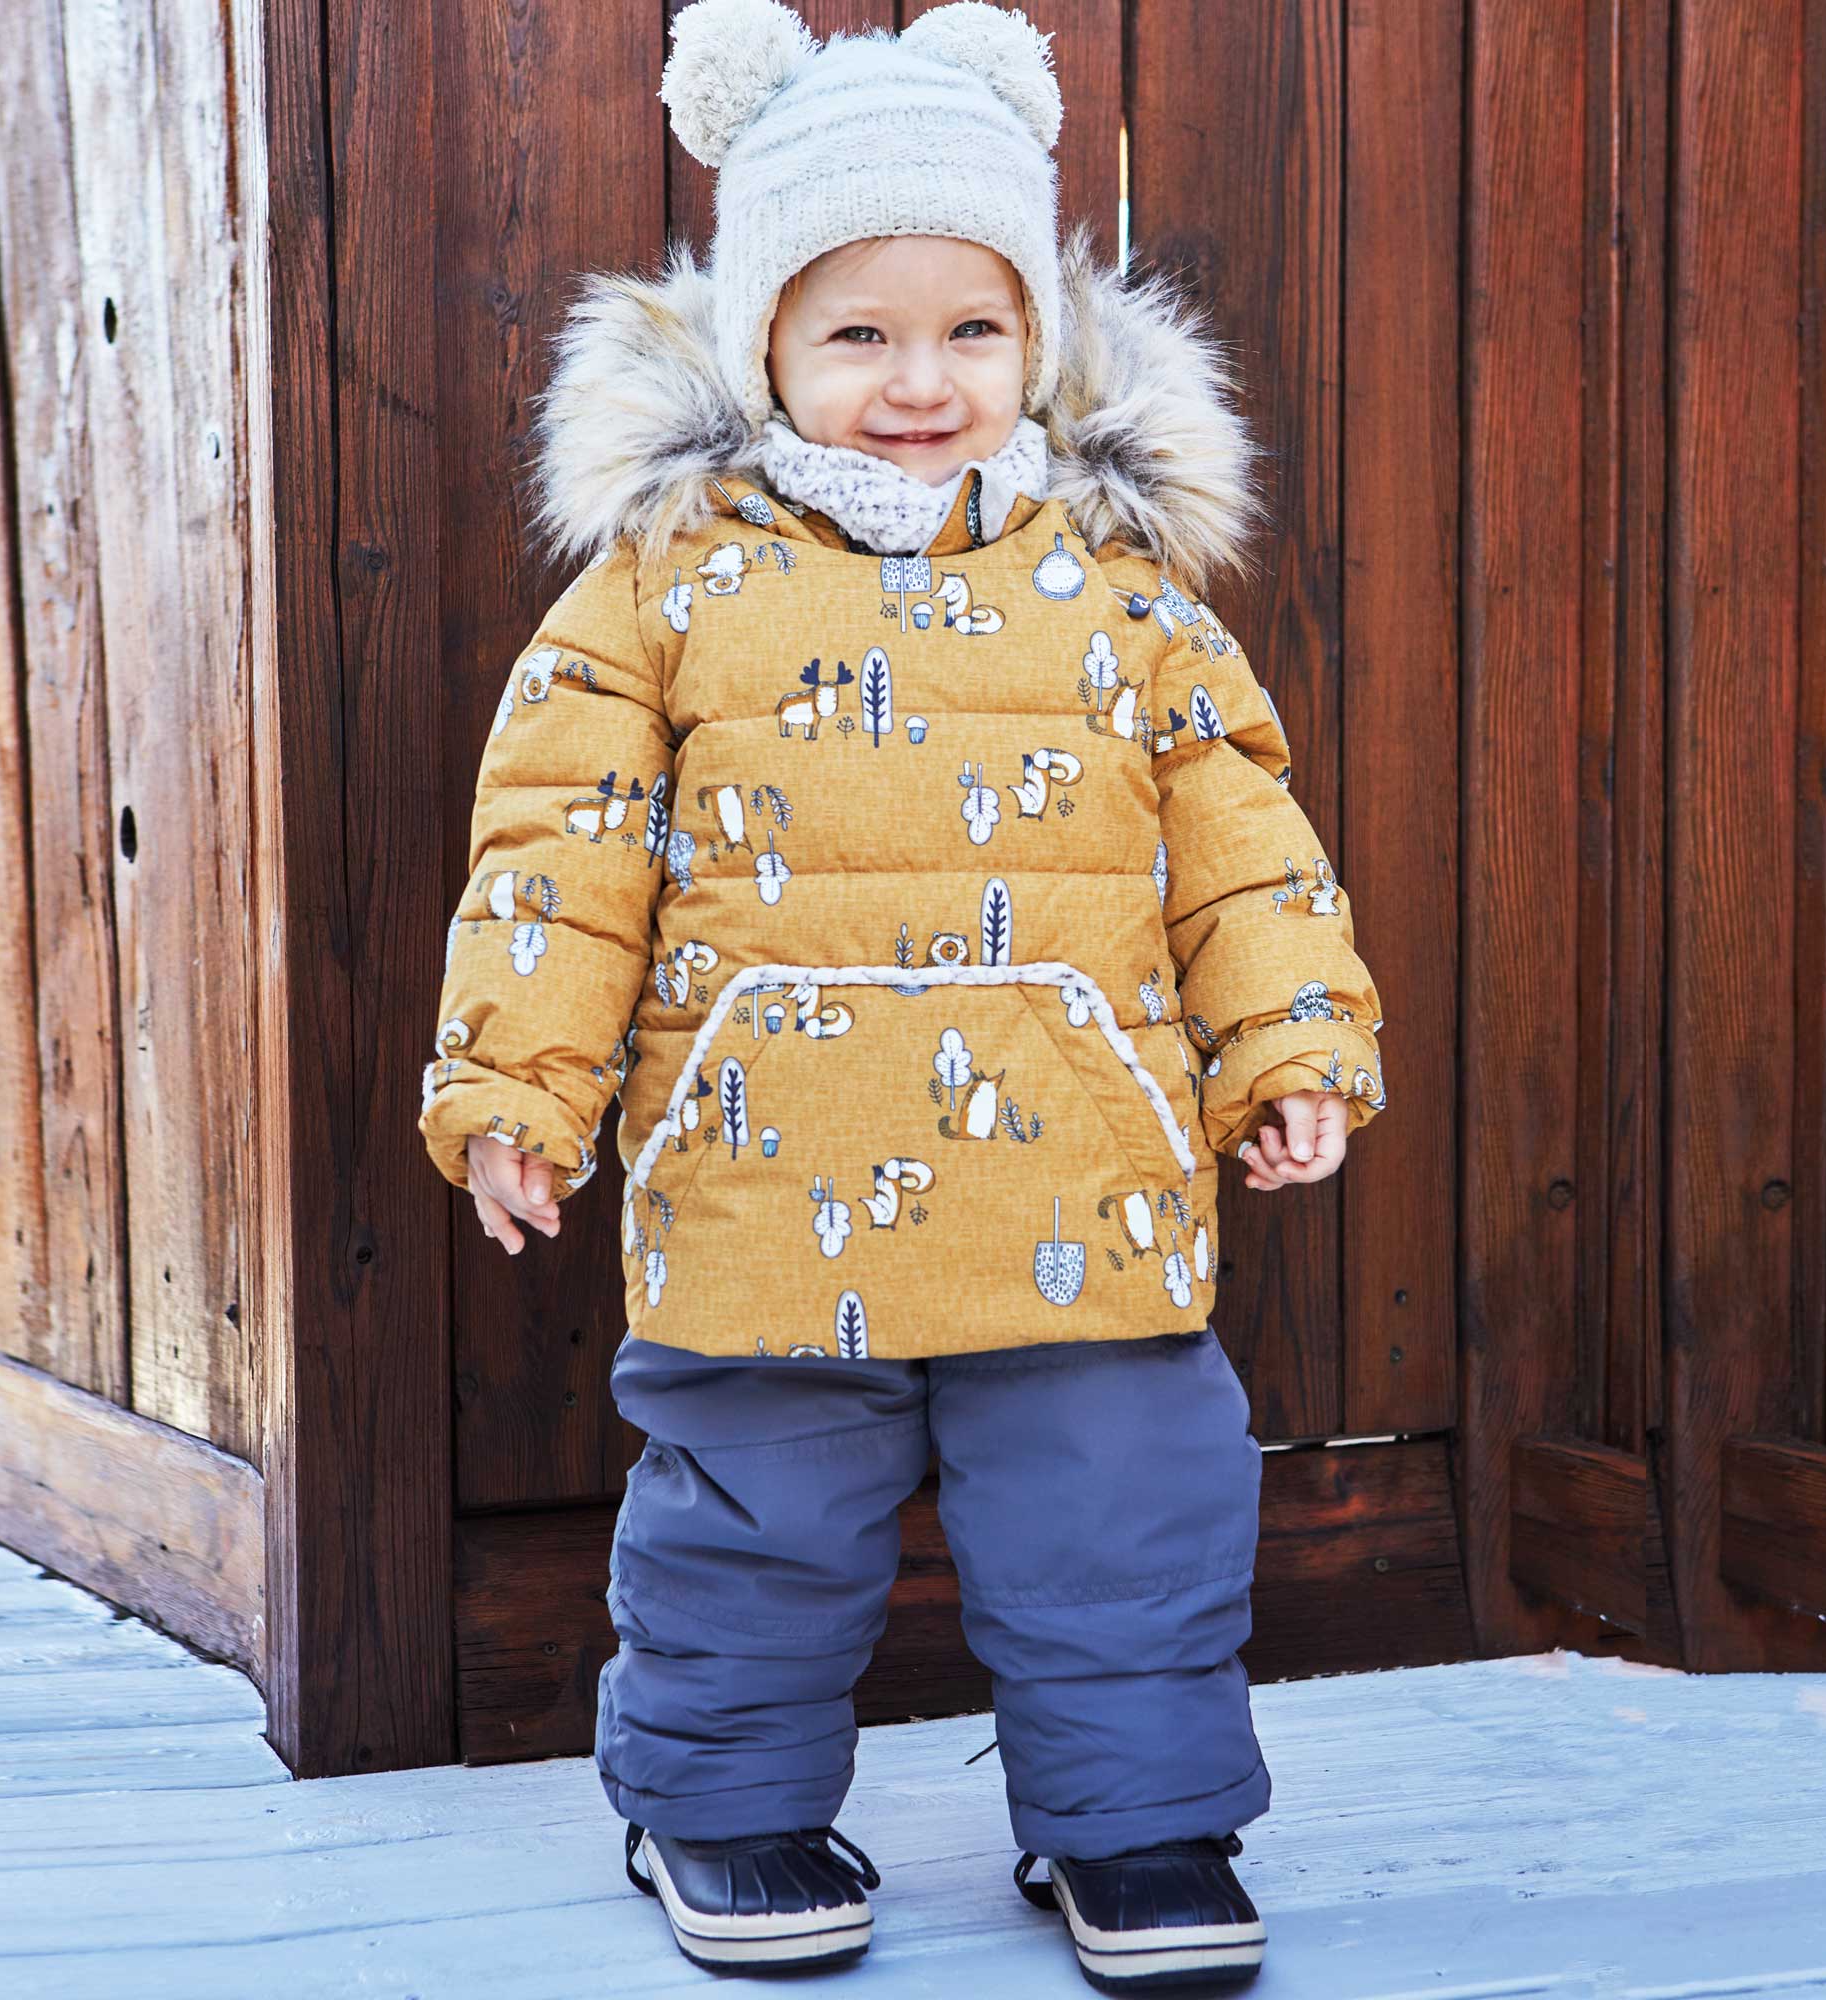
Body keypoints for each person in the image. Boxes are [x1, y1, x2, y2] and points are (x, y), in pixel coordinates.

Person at [418, 1, 1389, 1986]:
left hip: (1080, 1180)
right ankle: (721, 1807)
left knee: (1124, 1518)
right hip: (764, 1174)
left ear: (1037, 339)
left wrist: (1294, 1040)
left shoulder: (1123, 602)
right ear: (760, 339)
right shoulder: (665, 591)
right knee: (752, 1528)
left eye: (970, 327)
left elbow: (1244, 846)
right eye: (857, 331)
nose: (920, 379)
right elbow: (561, 856)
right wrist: (521, 1087)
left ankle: (1134, 1830)